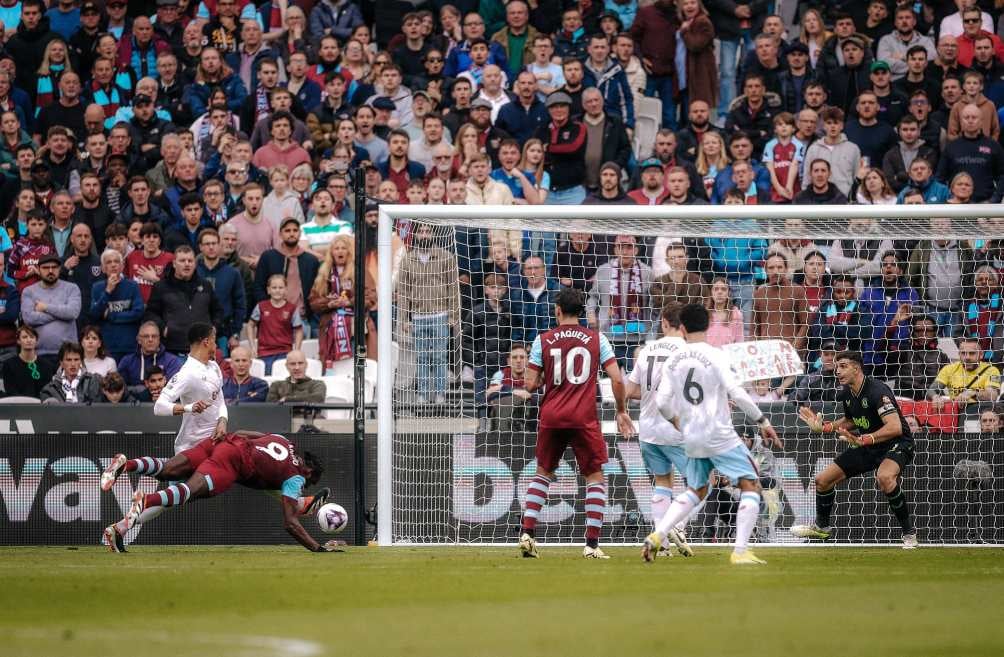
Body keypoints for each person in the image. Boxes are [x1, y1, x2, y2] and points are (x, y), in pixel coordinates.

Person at [644, 303, 781, 565]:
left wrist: (676, 422)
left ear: (682, 328)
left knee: (696, 489)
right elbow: (737, 393)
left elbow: (662, 402)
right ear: (708, 325)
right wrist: (762, 420)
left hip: (692, 435)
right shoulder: (716, 355)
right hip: (719, 433)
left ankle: (658, 535)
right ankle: (740, 552)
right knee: (750, 484)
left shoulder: (673, 360)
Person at [518, 287, 633, 560]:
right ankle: (591, 545)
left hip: (552, 415)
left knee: (543, 472)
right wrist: (620, 411)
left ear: (558, 310)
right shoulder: (597, 339)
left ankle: (527, 533)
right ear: (582, 313)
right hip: (583, 417)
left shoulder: (542, 340)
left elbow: (530, 384)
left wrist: (552, 378)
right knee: (594, 476)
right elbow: (617, 379)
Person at [101, 322, 228, 549]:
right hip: (191, 445)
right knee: (175, 484)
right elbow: (159, 406)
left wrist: (223, 420)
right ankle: (127, 468)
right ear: (206, 341)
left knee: (168, 498)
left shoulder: (214, 367)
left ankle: (119, 527)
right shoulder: (188, 373)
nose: (217, 344)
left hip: (213, 442)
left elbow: (221, 401)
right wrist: (188, 408)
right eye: (215, 338)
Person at [104, 429, 335, 553]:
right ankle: (146, 501)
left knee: (167, 470)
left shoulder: (284, 441)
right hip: (231, 461)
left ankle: (127, 464)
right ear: (307, 472)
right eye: (308, 482)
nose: (304, 484)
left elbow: (245, 432)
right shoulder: (294, 478)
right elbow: (290, 523)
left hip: (221, 441)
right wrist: (317, 548)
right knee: (189, 491)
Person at [795, 350, 918, 549]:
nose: (838, 371)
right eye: (836, 367)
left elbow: (895, 427)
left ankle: (909, 534)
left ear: (856, 368)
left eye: (843, 366)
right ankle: (822, 528)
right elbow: (851, 420)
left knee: (885, 477)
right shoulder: (846, 392)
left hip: (897, 443)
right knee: (822, 480)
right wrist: (826, 427)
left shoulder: (877, 390)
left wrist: (865, 438)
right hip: (867, 444)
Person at [625, 302, 692, 557]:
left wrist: (650, 393)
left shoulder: (646, 350)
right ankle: (677, 526)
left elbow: (630, 391)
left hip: (648, 429)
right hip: (677, 428)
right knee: (701, 482)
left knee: (663, 483)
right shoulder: (688, 351)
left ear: (664, 323)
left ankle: (661, 546)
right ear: (683, 325)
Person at [143, 246, 223, 356]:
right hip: (173, 351)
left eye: (190, 261)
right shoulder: (161, 287)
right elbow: (151, 313)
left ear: (194, 264)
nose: (187, 264)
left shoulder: (206, 285)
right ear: (174, 263)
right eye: (182, 260)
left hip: (203, 350)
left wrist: (214, 328)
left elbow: (218, 311)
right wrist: (164, 329)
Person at [20, 253, 80, 371]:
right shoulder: (29, 291)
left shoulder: (72, 288)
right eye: (46, 268)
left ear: (59, 269)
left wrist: (45, 307)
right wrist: (61, 312)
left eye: (54, 267)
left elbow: (73, 312)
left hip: (68, 355)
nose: (50, 271)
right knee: (40, 389)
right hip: (37, 354)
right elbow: (29, 318)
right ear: (38, 269)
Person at [250, 274, 304, 374]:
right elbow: (250, 325)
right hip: (264, 353)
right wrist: (252, 346)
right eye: (274, 288)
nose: (277, 290)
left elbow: (299, 330)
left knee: (284, 382)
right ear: (268, 290)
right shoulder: (261, 306)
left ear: (286, 290)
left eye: (280, 287)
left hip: (285, 352)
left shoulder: (291, 308)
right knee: (268, 382)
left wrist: (296, 350)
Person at [928, 337, 1002, 410]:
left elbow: (993, 395)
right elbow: (931, 390)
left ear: (981, 354)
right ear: (959, 354)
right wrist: (935, 397)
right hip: (956, 413)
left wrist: (972, 393)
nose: (967, 357)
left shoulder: (992, 370)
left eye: (972, 353)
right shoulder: (949, 369)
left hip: (980, 411)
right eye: (963, 353)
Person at [2, 325, 55, 398]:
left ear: (36, 341)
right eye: (25, 337)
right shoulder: (9, 365)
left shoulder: (47, 365)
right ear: (18, 341)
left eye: (32, 337)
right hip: (18, 406)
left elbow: (48, 391)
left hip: (41, 407)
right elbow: (11, 391)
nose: (29, 340)